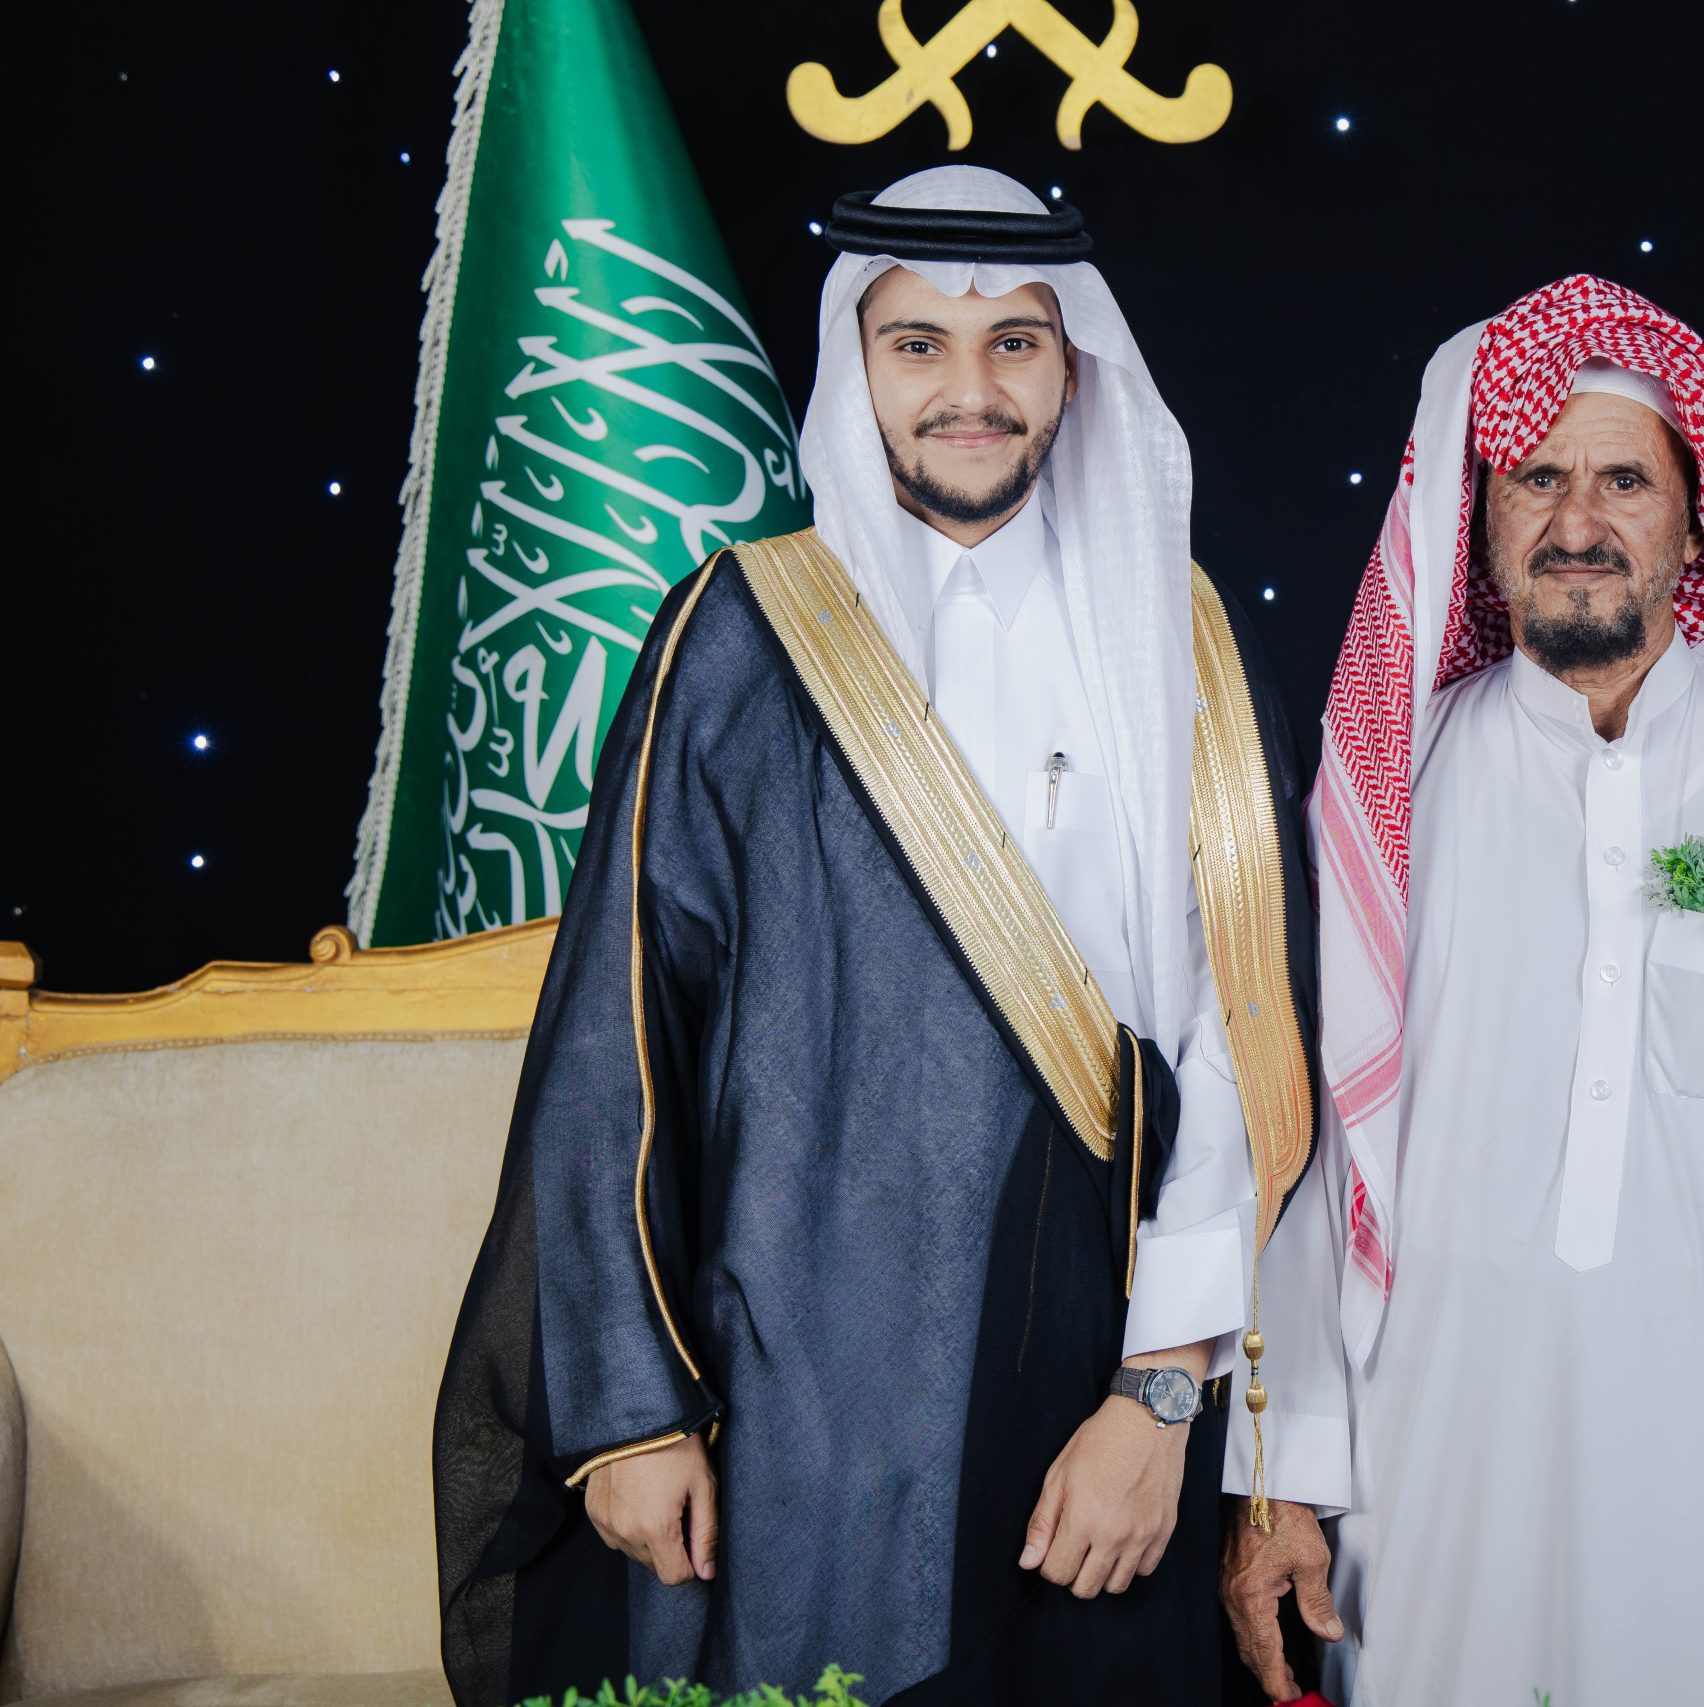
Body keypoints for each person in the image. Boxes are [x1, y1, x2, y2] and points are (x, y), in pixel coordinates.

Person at [434, 165, 1317, 1707]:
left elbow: (1241, 1042)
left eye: (1014, 343)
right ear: (858, 364)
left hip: (1097, 1384)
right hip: (797, 1387)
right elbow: (615, 1039)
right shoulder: (739, 633)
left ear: (1074, 365)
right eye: (918, 345)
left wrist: (1160, 1397)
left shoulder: (1181, 638)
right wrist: (632, 1412)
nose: (970, 390)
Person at [1219, 275, 1704, 1705]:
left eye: (1624, 481)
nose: (1577, 523)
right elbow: (1315, 1151)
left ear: (1698, 526)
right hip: (1433, 1458)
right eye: (1537, 479)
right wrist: (1285, 1471)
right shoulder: (1390, 798)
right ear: (1483, 521)